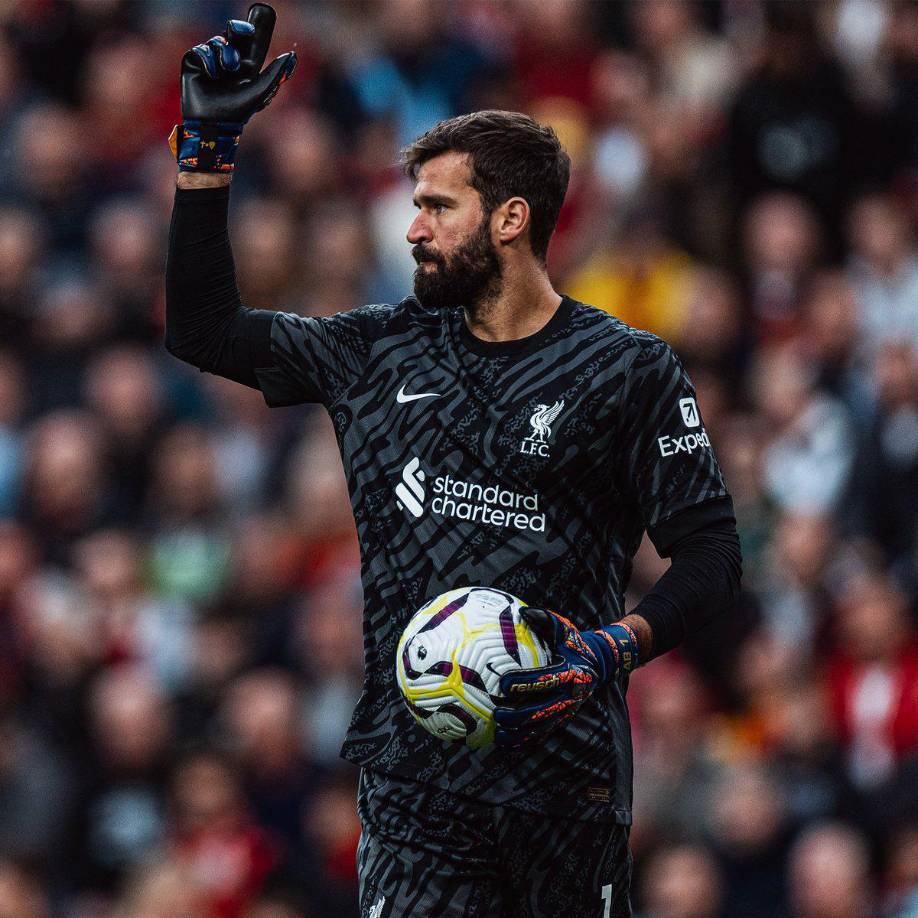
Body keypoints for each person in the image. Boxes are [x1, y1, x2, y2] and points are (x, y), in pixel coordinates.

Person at [165, 6, 742, 916]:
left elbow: (712, 558)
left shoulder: (627, 369)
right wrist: (205, 155)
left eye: (437, 207)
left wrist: (609, 649)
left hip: (566, 784)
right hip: (414, 789)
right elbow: (200, 328)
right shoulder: (379, 350)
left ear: (510, 219)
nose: (412, 230)